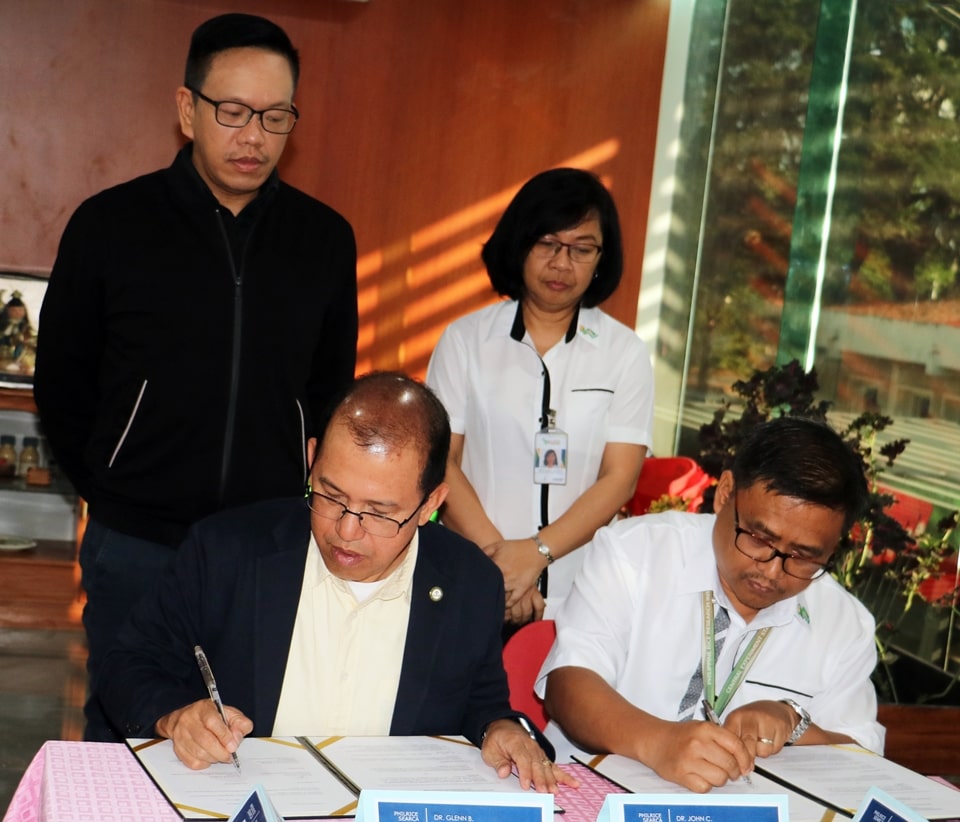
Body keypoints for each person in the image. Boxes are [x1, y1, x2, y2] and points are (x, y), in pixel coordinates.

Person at [33, 13, 358, 742]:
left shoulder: (324, 240)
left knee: (255, 730)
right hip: (137, 538)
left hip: (266, 541)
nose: (254, 137)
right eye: (233, 112)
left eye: (276, 117)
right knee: (128, 720)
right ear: (188, 110)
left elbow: (331, 384)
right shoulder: (110, 224)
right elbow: (63, 379)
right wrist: (110, 479)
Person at [98, 373, 573, 793]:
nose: (346, 530)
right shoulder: (227, 552)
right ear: (311, 459)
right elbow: (127, 665)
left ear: (432, 503)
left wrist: (501, 729)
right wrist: (176, 716)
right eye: (330, 494)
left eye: (380, 512)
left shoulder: (470, 584)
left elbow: (480, 701)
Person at [538, 416, 885, 792]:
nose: (770, 571)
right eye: (758, 538)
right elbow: (568, 684)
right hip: (594, 798)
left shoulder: (843, 624)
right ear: (725, 494)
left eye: (803, 557)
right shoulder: (635, 554)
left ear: (833, 548)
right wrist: (658, 742)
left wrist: (792, 721)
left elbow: (862, 758)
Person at [426, 168, 653, 628]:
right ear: (519, 243)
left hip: (581, 591)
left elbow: (619, 478)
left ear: (600, 258)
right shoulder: (466, 340)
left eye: (582, 249)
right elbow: (440, 460)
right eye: (547, 243)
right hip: (473, 572)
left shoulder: (623, 352)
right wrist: (502, 566)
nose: (562, 264)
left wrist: (536, 554)